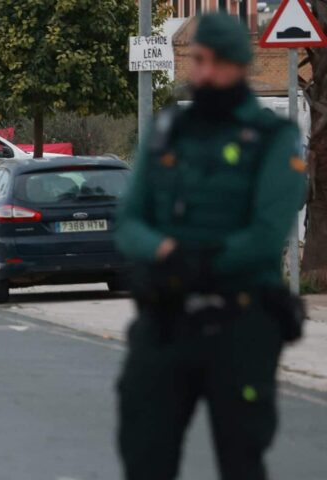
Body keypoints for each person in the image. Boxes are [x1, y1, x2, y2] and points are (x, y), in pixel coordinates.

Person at [114, 13, 308, 480]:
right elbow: (129, 220)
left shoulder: (273, 140)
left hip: (240, 324)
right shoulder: (166, 132)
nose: (201, 72)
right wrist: (168, 256)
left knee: (241, 459)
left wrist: (200, 260)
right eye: (197, 60)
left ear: (239, 65)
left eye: (213, 62)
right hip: (165, 320)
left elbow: (265, 234)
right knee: (145, 454)